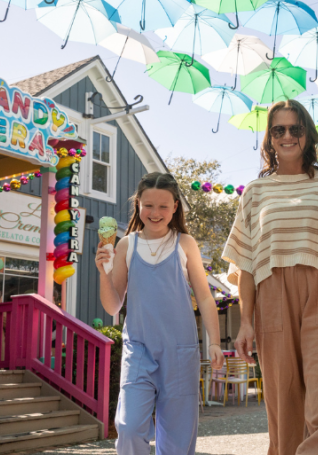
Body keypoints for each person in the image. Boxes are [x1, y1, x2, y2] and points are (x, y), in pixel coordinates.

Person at [223, 100, 318, 455]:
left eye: (296, 128)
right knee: (284, 403)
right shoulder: (254, 192)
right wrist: (245, 322)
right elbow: (245, 264)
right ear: (270, 138)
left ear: (308, 135)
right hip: (272, 294)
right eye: (279, 129)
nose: (288, 136)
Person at [95, 172, 224, 455]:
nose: (155, 213)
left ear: (175, 206)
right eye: (148, 205)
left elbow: (204, 296)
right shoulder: (126, 244)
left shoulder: (185, 243)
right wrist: (104, 273)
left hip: (180, 351)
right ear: (138, 204)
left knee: (178, 441)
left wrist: (213, 341)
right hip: (138, 349)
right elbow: (113, 306)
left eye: (163, 206)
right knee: (128, 428)